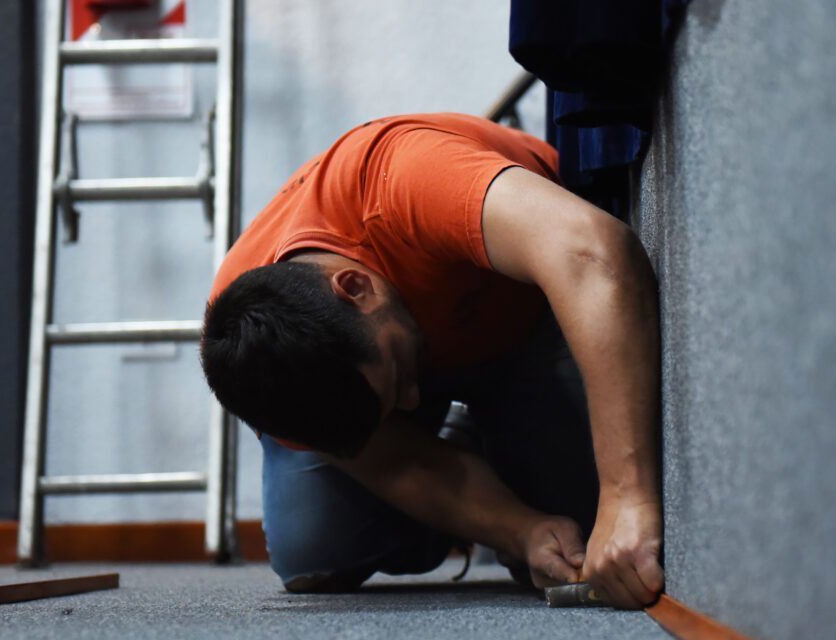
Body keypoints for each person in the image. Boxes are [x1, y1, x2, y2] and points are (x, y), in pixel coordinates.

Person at [200, 113, 662, 609]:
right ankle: (478, 462)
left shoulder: (400, 179)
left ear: (355, 288)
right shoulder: (264, 370)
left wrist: (625, 495)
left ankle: (492, 442)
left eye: (399, 376)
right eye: (396, 402)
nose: (415, 399)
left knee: (605, 526)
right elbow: (394, 460)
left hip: (528, 320)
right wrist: (523, 530)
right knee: (314, 555)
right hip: (390, 359)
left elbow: (593, 253)